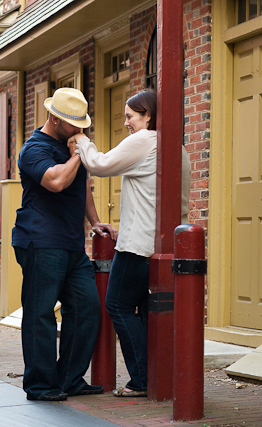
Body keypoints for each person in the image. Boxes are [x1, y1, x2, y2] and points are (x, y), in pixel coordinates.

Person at [69, 90, 189, 397]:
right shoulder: (179, 148)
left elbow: (99, 164)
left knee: (118, 306)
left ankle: (141, 380)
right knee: (148, 310)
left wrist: (83, 142)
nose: (126, 123)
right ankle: (158, 377)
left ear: (148, 115)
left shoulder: (146, 140)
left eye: (130, 116)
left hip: (138, 245)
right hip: (162, 246)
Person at [12, 87, 117, 402]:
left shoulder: (72, 143)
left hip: (71, 244)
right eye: (74, 124)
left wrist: (94, 221)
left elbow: (82, 186)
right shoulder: (33, 148)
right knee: (40, 313)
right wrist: (76, 154)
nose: (80, 130)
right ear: (55, 118)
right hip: (39, 240)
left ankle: (70, 379)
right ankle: (40, 385)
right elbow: (56, 181)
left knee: (87, 308)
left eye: (83, 124)